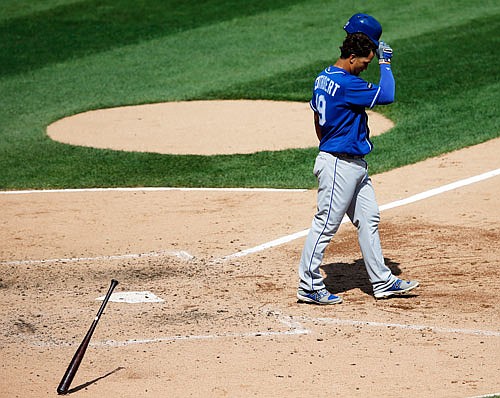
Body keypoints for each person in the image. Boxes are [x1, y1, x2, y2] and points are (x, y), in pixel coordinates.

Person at [297, 13, 419, 304]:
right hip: (340, 163)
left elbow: (317, 115)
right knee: (326, 224)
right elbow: (387, 95)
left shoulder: (324, 76)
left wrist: (328, 142)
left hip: (349, 162)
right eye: (365, 62)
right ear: (352, 57)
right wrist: (386, 64)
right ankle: (309, 285)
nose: (367, 67)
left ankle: (382, 281)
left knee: (368, 219)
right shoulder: (347, 85)